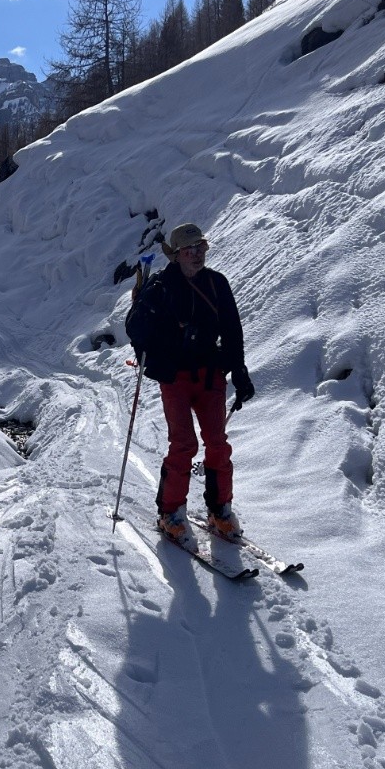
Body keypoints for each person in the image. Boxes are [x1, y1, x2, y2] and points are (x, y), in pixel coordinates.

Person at [124, 222, 255, 545]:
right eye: (189, 250)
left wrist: (238, 371)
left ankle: (220, 510)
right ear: (176, 255)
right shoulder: (161, 287)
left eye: (201, 248)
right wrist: (145, 312)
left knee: (218, 444)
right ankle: (170, 512)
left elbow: (232, 331)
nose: (196, 254)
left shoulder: (217, 284)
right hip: (175, 377)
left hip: (210, 375)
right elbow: (136, 329)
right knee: (184, 445)